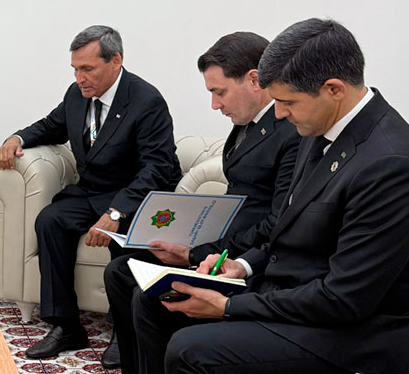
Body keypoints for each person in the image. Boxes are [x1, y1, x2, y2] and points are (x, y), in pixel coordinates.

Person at [133, 18, 409, 374]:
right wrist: (241, 266)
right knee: (155, 302)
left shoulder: (391, 166)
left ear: (334, 89)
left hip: (355, 334)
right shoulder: (318, 128)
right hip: (296, 294)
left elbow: (344, 299)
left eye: (286, 101)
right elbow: (288, 231)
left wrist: (230, 307)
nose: (278, 113)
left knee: (191, 350)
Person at [100, 31, 299, 371]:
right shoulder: (246, 125)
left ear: (254, 80)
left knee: (145, 295)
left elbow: (275, 222)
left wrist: (196, 253)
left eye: (219, 92)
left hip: (243, 256)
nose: (215, 105)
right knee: (121, 269)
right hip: (223, 241)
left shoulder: (290, 133)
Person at [0, 25, 182, 359]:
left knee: (122, 234)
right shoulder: (76, 94)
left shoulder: (146, 100)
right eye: (75, 69)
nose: (80, 77)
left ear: (116, 61)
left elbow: (157, 168)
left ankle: (123, 333)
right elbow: (51, 126)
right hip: (92, 191)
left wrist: (115, 213)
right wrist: (17, 139)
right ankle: (66, 326)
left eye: (88, 69)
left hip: (134, 194)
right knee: (50, 220)